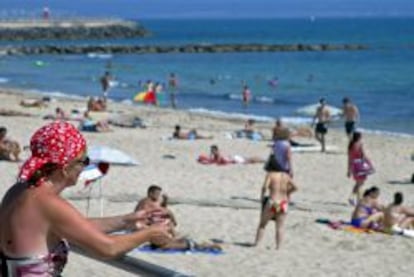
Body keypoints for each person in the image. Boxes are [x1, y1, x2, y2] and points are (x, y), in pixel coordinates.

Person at [0, 121, 170, 276]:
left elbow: (72, 226)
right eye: (83, 160)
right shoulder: (48, 203)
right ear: (65, 168)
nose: (86, 166)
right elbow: (108, 248)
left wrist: (127, 220)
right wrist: (150, 233)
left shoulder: (19, 190)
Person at [253, 157, 298, 249]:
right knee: (279, 227)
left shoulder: (270, 175)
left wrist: (261, 197)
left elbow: (264, 187)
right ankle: (278, 247)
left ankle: (257, 244)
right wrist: (287, 192)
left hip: (273, 201)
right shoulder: (286, 176)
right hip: (283, 203)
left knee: (263, 224)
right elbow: (295, 187)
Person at [347, 131, 374, 205]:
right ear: (359, 137)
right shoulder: (360, 144)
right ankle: (359, 200)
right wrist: (370, 163)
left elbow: (349, 159)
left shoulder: (350, 145)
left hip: (353, 165)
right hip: (360, 165)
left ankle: (351, 197)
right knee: (360, 184)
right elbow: (364, 155)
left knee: (358, 182)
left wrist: (348, 170)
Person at [198, 145, 265, 165]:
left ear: (215, 150)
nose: (211, 151)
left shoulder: (218, 154)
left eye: (212, 150)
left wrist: (208, 162)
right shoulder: (216, 154)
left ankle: (262, 160)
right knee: (249, 159)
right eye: (211, 150)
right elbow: (213, 160)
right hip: (234, 158)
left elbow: (218, 162)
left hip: (235, 159)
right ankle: (262, 160)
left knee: (250, 160)